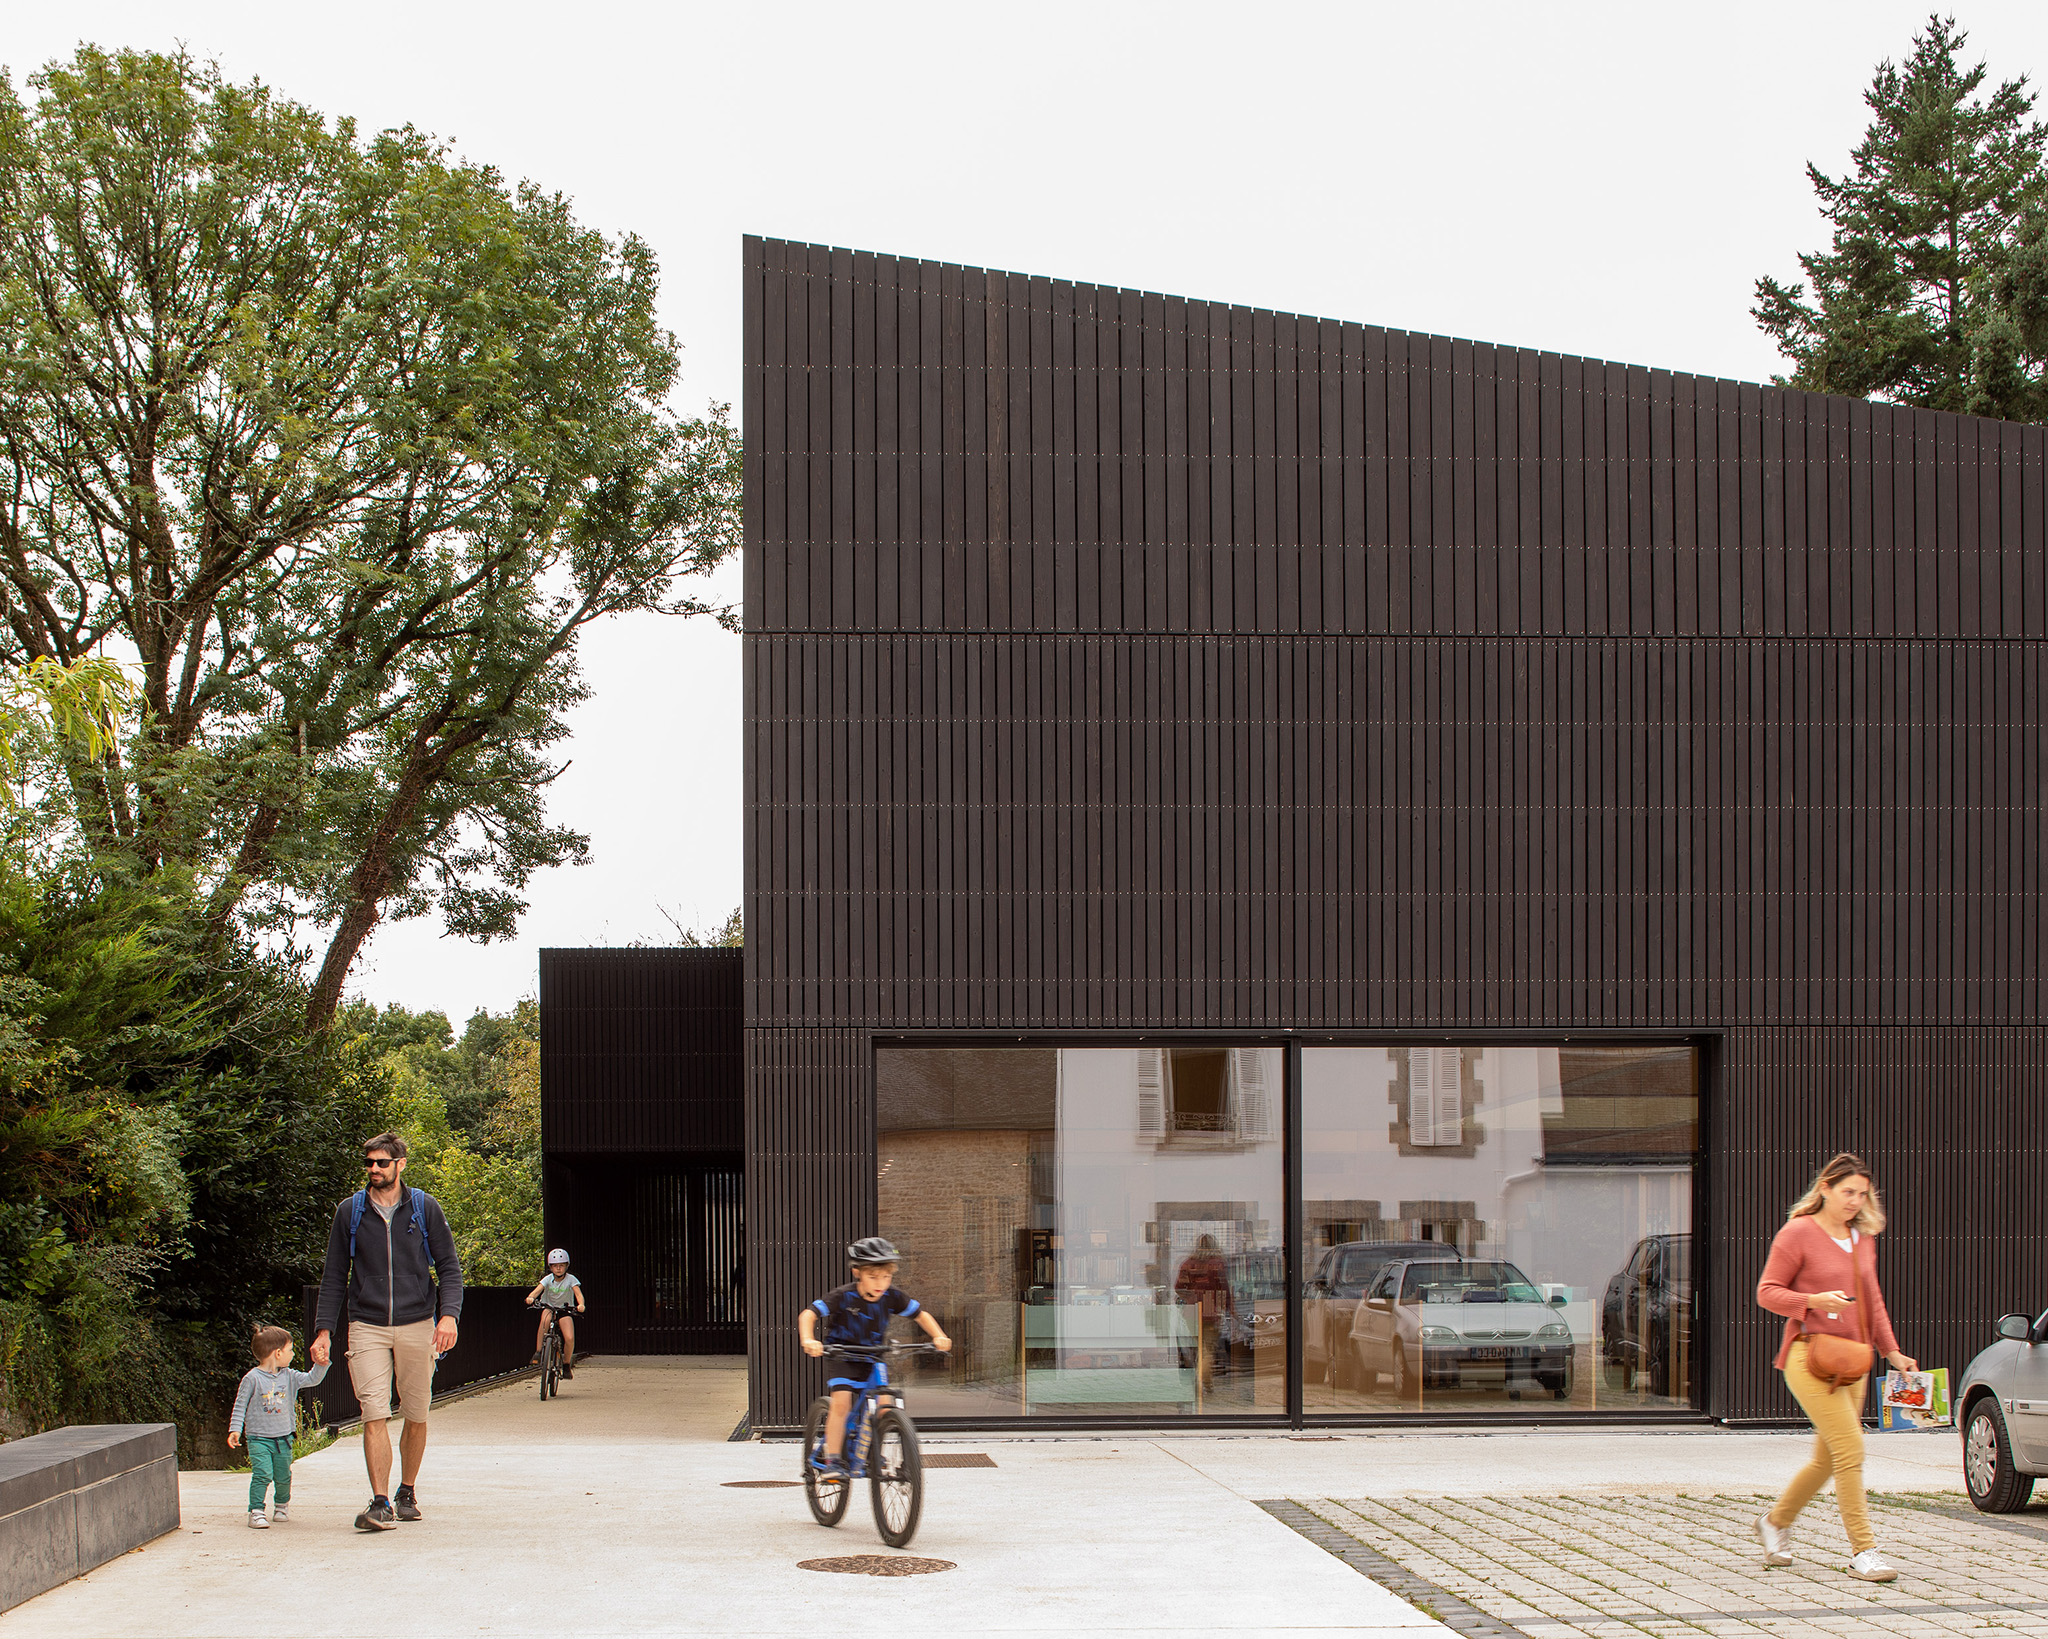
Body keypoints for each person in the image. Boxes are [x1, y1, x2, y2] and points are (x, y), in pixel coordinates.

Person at [1754, 1152, 1916, 1583]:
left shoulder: (1862, 1238)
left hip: (1855, 1360)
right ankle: (1864, 1551)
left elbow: (1873, 1299)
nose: (1855, 1202)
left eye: (1862, 1195)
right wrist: (1812, 1301)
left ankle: (1774, 1522)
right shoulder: (1797, 1234)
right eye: (1848, 1192)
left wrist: (1892, 1351)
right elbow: (1767, 1293)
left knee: (1828, 1459)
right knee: (1851, 1451)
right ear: (1824, 1188)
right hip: (1809, 1356)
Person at [311, 1131, 463, 1533]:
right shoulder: (351, 1212)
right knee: (373, 1412)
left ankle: (406, 1491)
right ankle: (379, 1503)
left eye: (382, 1162)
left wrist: (448, 1316)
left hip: (417, 1323)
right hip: (367, 1325)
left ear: (400, 1164)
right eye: (369, 1163)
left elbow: (449, 1267)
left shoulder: (424, 1208)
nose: (374, 1169)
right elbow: (333, 1276)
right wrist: (324, 1330)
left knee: (416, 1412)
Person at [797, 1236, 951, 1475]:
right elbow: (808, 1314)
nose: (881, 1283)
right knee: (842, 1403)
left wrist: (938, 1336)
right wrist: (809, 1339)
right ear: (857, 1272)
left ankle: (871, 1450)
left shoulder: (892, 1296)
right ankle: (833, 1460)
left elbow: (921, 1314)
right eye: (873, 1277)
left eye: (886, 1277)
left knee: (885, 1404)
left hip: (874, 1356)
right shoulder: (843, 1296)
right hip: (843, 1355)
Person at [227, 1325, 328, 1528]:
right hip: (258, 1438)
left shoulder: (289, 1376)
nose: (292, 1354)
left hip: (284, 1438)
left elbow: (312, 1379)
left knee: (283, 1476)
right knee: (262, 1473)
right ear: (278, 1352)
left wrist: (321, 1364)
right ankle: (256, 1511)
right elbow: (240, 1405)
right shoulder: (252, 1378)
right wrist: (235, 1429)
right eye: (291, 1350)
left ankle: (281, 1505)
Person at [525, 1249, 585, 1378]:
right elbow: (537, 1291)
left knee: (569, 1337)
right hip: (549, 1307)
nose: (558, 1269)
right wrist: (531, 1298)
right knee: (544, 1322)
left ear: (566, 1266)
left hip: (564, 1310)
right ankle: (538, 1351)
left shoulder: (571, 1279)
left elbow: (578, 1294)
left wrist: (581, 1305)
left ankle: (566, 1364)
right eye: (555, 1266)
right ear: (550, 1267)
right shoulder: (547, 1279)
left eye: (561, 1265)